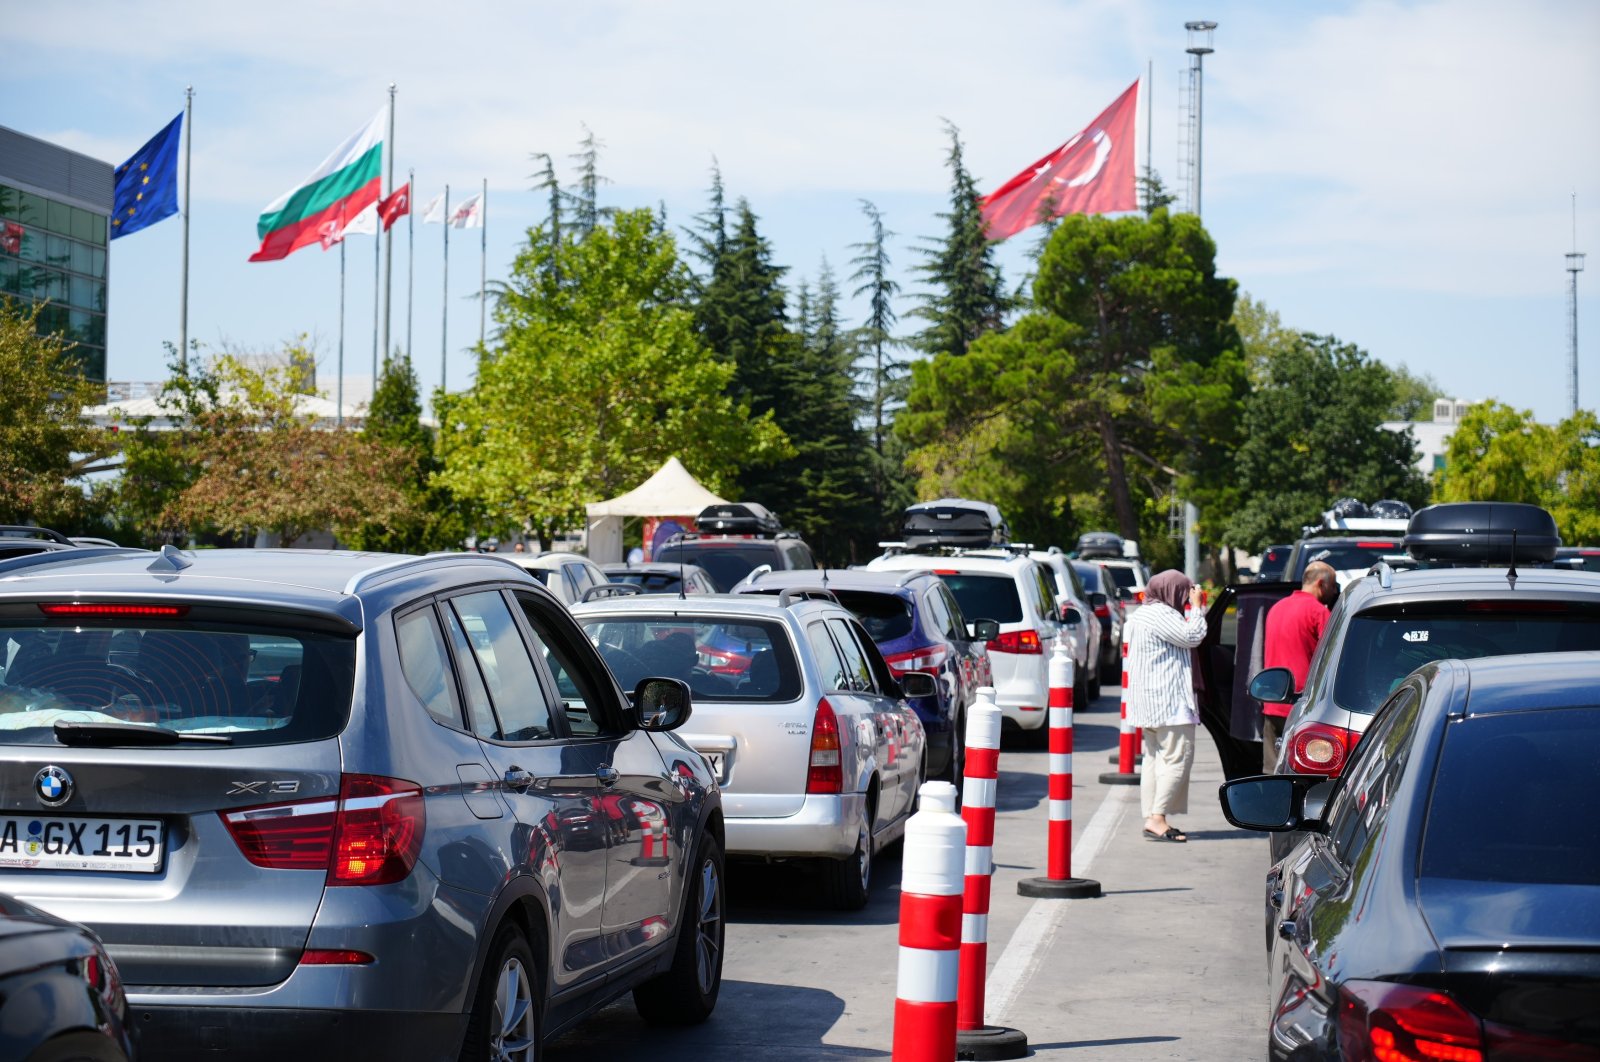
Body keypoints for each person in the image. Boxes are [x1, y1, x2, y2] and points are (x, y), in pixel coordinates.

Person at [1123, 569, 1208, 843]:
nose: (1185, 599)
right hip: (1170, 702)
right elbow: (1192, 636)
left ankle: (1152, 816)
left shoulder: (1140, 615)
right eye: (1183, 593)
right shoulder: (1162, 615)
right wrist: (1198, 609)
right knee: (1177, 759)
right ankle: (1158, 818)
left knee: (1153, 760)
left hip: (1150, 703)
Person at [1259, 561, 1338, 771]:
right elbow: (1332, 659)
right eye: (1333, 586)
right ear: (1321, 583)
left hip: (1273, 703)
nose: (1334, 591)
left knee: (1271, 772)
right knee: (1299, 773)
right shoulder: (1318, 612)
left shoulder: (1277, 608)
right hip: (1302, 708)